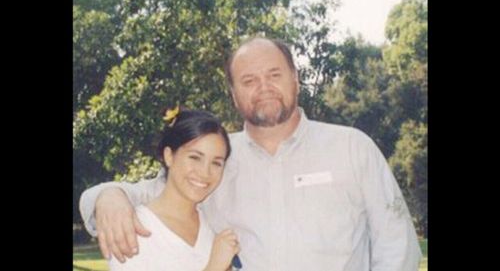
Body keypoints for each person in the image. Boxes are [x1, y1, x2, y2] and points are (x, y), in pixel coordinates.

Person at [80, 36, 422, 270]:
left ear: (295, 80)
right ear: (233, 94)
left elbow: (396, 247)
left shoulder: (352, 148)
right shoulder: (216, 159)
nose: (263, 88)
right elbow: (152, 191)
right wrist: (106, 196)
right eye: (248, 80)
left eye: (274, 74)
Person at [106, 108, 240, 271]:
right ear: (169, 156)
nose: (205, 172)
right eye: (195, 157)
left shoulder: (212, 225)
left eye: (216, 163)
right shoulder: (133, 228)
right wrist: (215, 266)